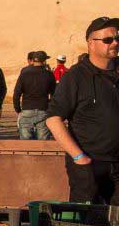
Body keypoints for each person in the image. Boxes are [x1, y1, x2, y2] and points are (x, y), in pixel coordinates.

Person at [45, 17, 119, 204]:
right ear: (90, 44)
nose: (115, 43)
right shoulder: (75, 77)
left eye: (117, 38)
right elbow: (53, 119)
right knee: (89, 224)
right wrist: (79, 157)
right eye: (108, 40)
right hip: (89, 164)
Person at [13, 51, 56, 140]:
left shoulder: (24, 74)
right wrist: (51, 108)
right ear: (44, 61)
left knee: (26, 143)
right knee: (43, 143)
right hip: (43, 109)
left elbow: (16, 94)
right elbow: (54, 95)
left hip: (27, 109)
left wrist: (18, 109)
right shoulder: (49, 75)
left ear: (33, 60)